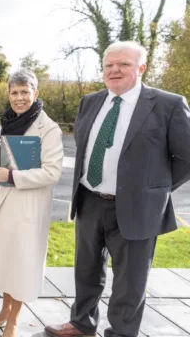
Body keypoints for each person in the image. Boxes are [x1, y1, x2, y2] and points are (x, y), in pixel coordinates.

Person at [45, 41, 190, 337]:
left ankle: (122, 333)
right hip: (89, 201)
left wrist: (154, 188)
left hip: (138, 207)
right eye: (108, 65)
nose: (114, 70)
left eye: (123, 64)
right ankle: (82, 323)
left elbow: (187, 156)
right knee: (85, 271)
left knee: (130, 281)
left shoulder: (167, 104)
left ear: (141, 68)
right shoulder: (91, 101)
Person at [0, 69, 64, 337]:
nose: (19, 97)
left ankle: (13, 320)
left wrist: (14, 176)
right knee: (5, 263)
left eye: (25, 92)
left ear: (35, 94)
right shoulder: (8, 122)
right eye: (14, 92)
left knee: (21, 267)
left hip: (26, 208)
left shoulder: (48, 129)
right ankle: (3, 312)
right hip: (1, 202)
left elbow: (52, 172)